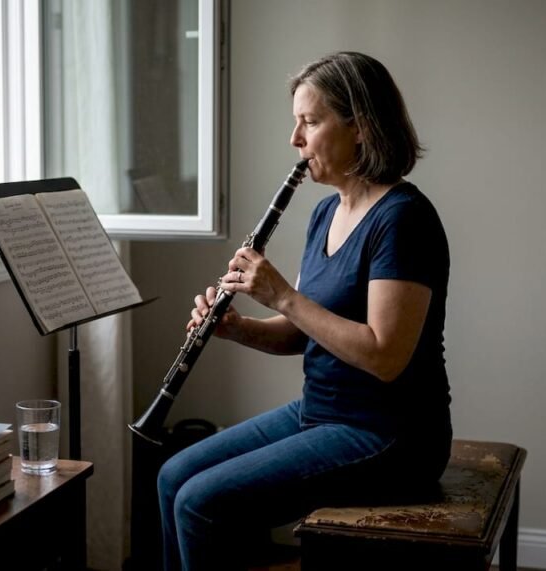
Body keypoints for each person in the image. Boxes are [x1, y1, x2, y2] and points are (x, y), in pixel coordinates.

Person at [157, 51, 451, 571]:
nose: (295, 140)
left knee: (200, 504)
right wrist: (234, 327)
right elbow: (302, 333)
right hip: (320, 413)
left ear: (359, 127)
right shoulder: (325, 211)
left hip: (390, 435)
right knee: (171, 477)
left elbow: (385, 356)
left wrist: (283, 296)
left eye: (310, 122)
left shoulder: (403, 220)